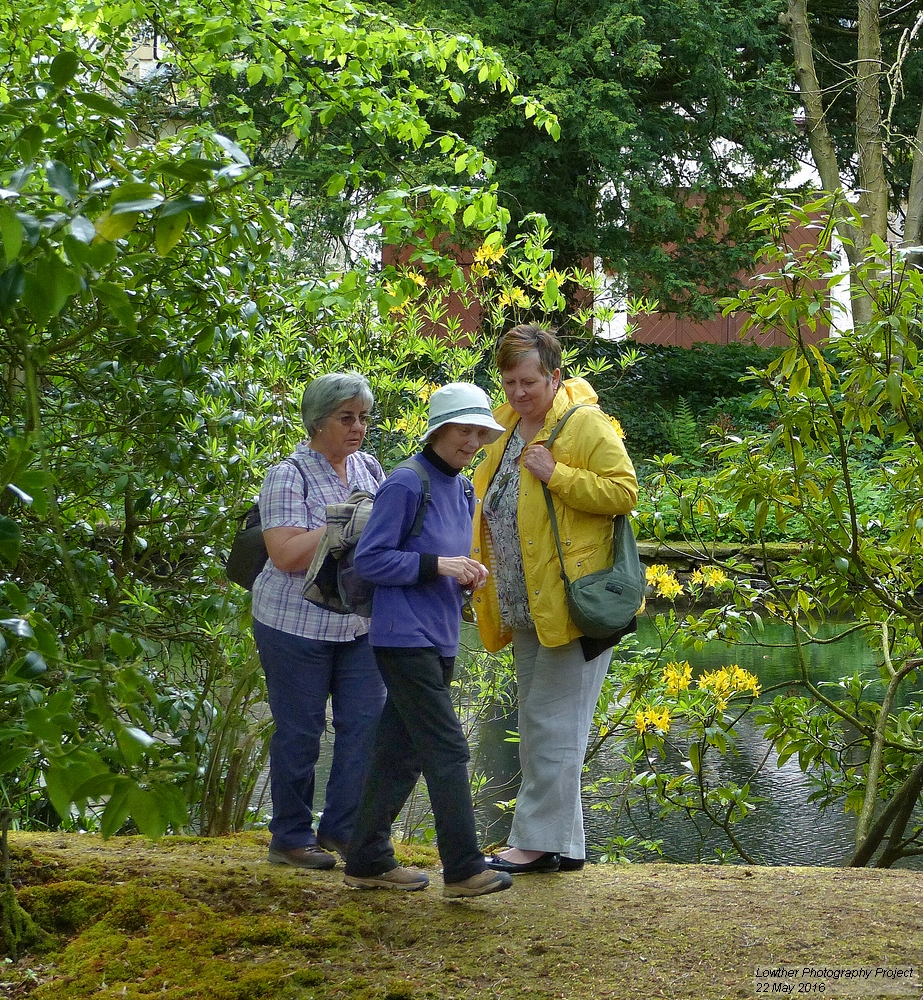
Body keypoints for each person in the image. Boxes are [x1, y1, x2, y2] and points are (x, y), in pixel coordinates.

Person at [472, 324, 639, 874]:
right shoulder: (502, 431)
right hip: (523, 609)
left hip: (575, 607)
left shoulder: (583, 424)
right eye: (510, 381)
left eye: (529, 381)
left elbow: (624, 492)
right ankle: (563, 847)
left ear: (555, 376)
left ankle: (535, 843)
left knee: (552, 724)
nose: (519, 392)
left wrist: (558, 473)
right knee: (543, 723)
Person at [343, 383, 514, 898]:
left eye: (481, 432)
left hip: (440, 636)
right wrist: (438, 565)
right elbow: (370, 559)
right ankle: (462, 867)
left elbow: (443, 558)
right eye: (465, 429)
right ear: (439, 429)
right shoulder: (405, 481)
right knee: (447, 748)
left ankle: (367, 859)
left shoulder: (463, 489)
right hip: (401, 637)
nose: (473, 440)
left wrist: (467, 572)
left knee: (400, 752)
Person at [253, 372, 387, 869]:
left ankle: (343, 831)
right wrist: (341, 521)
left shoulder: (369, 467)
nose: (358, 428)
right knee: (300, 731)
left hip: (358, 624)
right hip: (293, 624)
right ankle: (289, 837)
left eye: (363, 418)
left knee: (366, 727)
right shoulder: (289, 474)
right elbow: (285, 554)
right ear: (317, 422)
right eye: (346, 418)